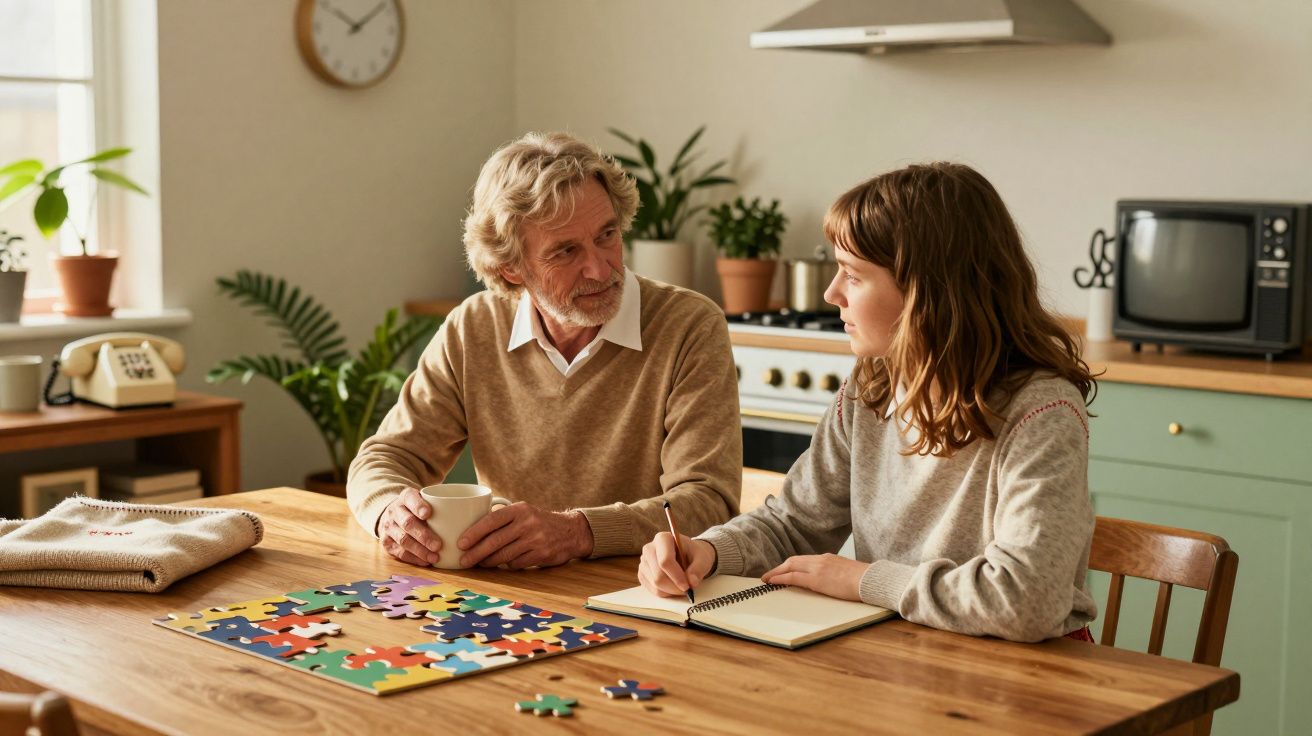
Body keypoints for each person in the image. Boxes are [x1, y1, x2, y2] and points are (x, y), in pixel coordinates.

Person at [638, 162, 1100, 643]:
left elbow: (1026, 601)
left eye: (853, 276)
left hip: (1030, 677)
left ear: (928, 294)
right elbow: (794, 523)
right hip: (906, 649)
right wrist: (709, 552)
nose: (830, 292)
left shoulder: (1043, 412)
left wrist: (862, 580)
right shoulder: (872, 385)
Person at [347, 131, 741, 570]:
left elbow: (709, 502)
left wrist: (578, 532)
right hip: (509, 598)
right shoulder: (473, 327)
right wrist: (390, 513)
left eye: (607, 234)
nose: (600, 267)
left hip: (642, 594)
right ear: (510, 268)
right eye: (566, 251)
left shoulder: (689, 326)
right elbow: (386, 458)